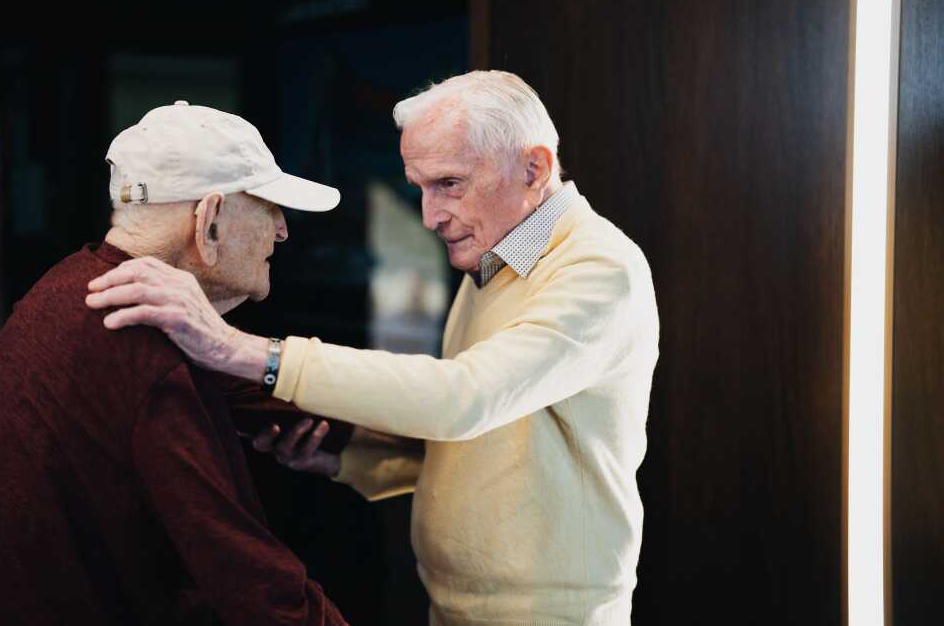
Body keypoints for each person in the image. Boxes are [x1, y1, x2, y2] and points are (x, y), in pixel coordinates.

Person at [87, 72, 660, 626]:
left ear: (533, 168)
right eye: (421, 189)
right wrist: (351, 458)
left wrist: (241, 352)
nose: (430, 216)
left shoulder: (601, 269)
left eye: (449, 184)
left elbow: (466, 399)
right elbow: (491, 442)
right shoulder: (495, 258)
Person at [0, 101, 353, 625]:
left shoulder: (73, 286)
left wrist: (397, 426)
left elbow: (262, 391)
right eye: (268, 206)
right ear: (208, 223)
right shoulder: (145, 353)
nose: (282, 231)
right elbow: (258, 592)